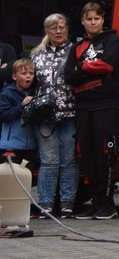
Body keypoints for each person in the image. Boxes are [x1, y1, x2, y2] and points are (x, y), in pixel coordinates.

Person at [63, 2, 119, 220]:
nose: (93, 22)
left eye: (96, 18)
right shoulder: (77, 47)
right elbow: (69, 75)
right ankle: (95, 202)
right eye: (89, 19)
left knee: (105, 153)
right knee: (87, 155)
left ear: (102, 19)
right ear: (82, 21)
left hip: (107, 104)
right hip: (84, 106)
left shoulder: (111, 39)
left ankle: (108, 203)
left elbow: (108, 65)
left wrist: (84, 68)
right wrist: (89, 68)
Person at [31, 13, 78, 218]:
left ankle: (67, 204)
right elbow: (28, 82)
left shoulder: (76, 51)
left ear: (67, 29)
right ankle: (46, 205)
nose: (58, 31)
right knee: (48, 161)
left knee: (68, 161)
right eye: (53, 28)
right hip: (44, 116)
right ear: (47, 31)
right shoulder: (36, 54)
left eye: (61, 27)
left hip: (70, 112)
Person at [0, 57, 39, 168]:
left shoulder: (35, 93)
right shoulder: (7, 94)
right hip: (10, 146)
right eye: (23, 73)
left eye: (31, 73)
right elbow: (4, 115)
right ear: (14, 76)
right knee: (11, 179)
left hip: (30, 146)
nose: (28, 76)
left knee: (27, 177)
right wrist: (22, 105)